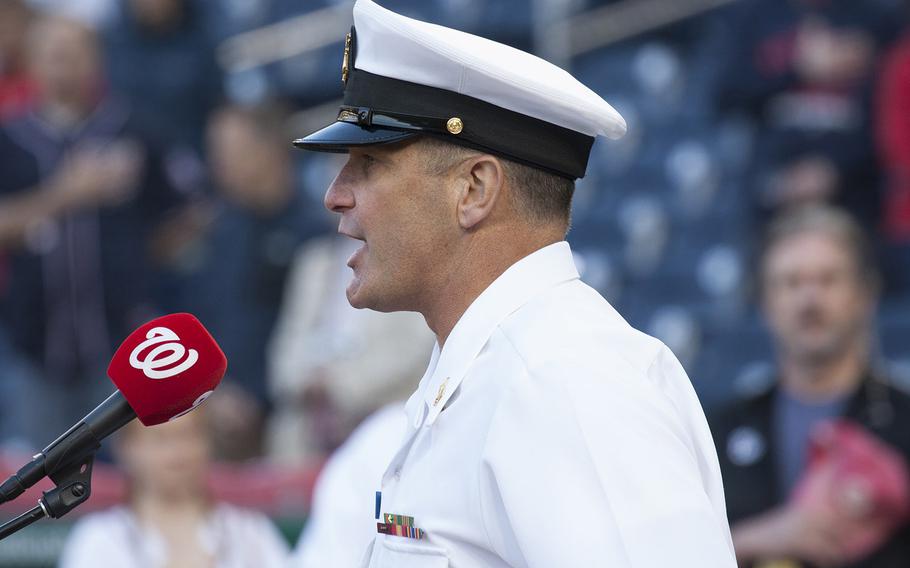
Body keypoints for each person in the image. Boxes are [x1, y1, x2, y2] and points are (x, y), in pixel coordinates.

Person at [291, 1, 736, 566]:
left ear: (474, 189)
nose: (335, 194)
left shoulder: (562, 379)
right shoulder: (501, 367)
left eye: (369, 164)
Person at [709, 205, 910, 567]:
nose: (809, 300)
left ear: (864, 294)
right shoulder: (718, 431)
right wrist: (762, 537)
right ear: (766, 302)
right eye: (791, 282)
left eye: (828, 279)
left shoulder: (905, 422)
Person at [266, 234, 434, 465]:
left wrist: (338, 387)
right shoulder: (315, 260)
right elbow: (287, 345)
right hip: (308, 424)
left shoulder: (410, 259)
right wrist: (308, 383)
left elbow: (414, 349)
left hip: (379, 414)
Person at [58, 406, 290, 568]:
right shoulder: (100, 538)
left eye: (189, 435)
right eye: (161, 439)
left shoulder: (250, 531)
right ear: (128, 447)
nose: (178, 453)